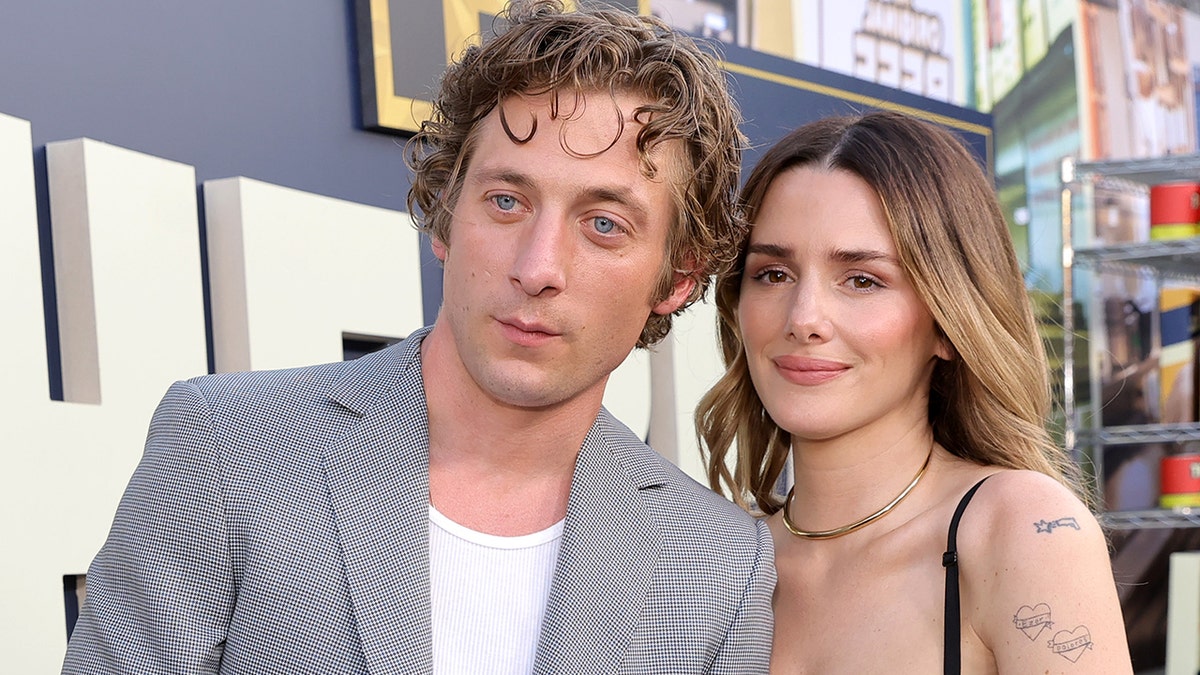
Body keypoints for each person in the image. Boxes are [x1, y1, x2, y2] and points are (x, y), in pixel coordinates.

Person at [62, 2, 774, 672]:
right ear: (444, 217)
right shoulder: (226, 449)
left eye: (603, 225)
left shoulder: (717, 565)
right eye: (506, 201)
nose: (537, 267)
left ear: (677, 277)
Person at [696, 110, 1132, 673]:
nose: (804, 319)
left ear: (948, 325)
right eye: (773, 274)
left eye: (862, 280)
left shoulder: (1019, 529)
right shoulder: (710, 565)